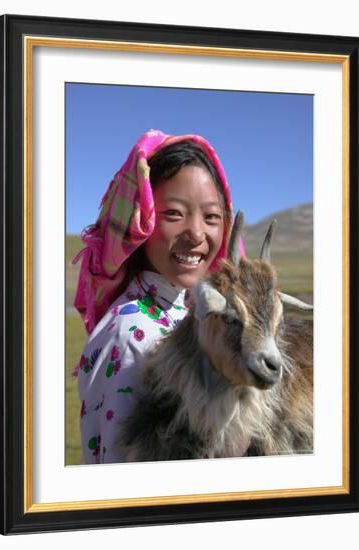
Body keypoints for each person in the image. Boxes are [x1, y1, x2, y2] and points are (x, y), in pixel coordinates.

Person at [72, 129, 239, 464]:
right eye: (174, 214)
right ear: (140, 220)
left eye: (211, 217)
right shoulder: (134, 335)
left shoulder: (190, 314)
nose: (196, 233)